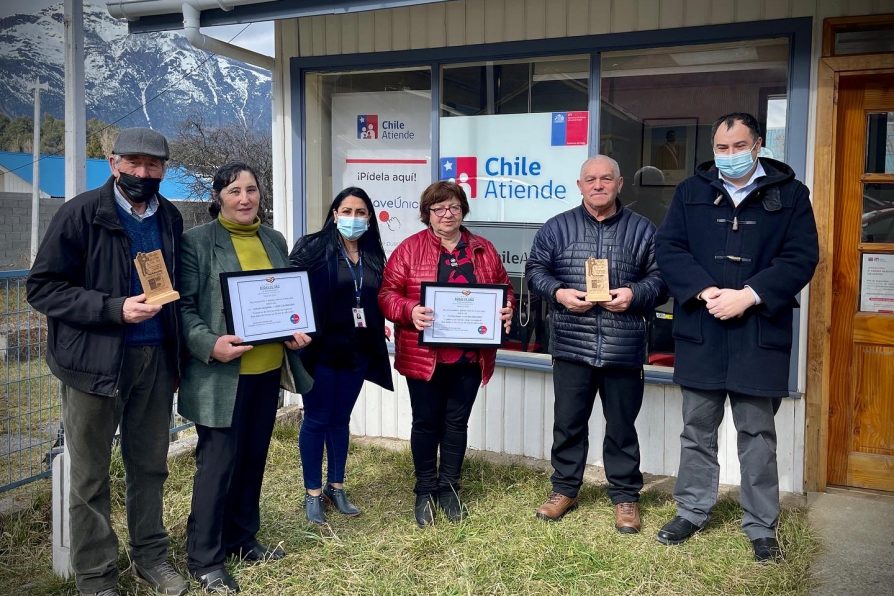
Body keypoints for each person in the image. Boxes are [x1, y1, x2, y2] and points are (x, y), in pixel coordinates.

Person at [26, 128, 188, 596]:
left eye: (153, 165)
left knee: (150, 466)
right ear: (113, 163)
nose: (143, 173)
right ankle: (96, 577)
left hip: (155, 360)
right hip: (94, 366)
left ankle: (150, 557)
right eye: (133, 162)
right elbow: (42, 288)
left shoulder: (170, 219)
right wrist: (113, 308)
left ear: (164, 168)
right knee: (91, 474)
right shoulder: (80, 214)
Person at [654, 112, 818, 562]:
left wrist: (749, 295)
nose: (729, 156)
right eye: (721, 149)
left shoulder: (790, 194)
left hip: (757, 330)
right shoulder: (691, 192)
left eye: (738, 147)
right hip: (702, 328)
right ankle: (691, 510)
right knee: (697, 430)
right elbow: (669, 249)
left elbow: (802, 256)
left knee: (757, 434)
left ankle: (762, 525)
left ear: (758, 144)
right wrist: (707, 291)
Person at [178, 162, 314, 592]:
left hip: (267, 370)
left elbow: (286, 295)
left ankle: (241, 537)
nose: (244, 198)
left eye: (252, 189)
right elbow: (181, 309)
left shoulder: (273, 239)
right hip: (221, 375)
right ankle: (204, 557)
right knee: (217, 465)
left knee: (254, 459)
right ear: (218, 195)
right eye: (234, 190)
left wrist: (295, 329)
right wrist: (208, 343)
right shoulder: (196, 243)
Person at [525, 155, 667, 533]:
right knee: (568, 423)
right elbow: (535, 272)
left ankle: (624, 496)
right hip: (572, 344)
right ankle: (564, 489)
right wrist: (559, 293)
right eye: (591, 179)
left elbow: (662, 279)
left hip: (623, 346)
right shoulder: (557, 228)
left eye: (606, 178)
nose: (599, 185)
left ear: (620, 183)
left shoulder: (643, 231)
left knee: (622, 426)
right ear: (580, 185)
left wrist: (634, 294)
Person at [378, 181, 514, 527]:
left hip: (469, 355)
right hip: (425, 357)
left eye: (453, 206)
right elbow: (386, 294)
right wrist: (410, 311)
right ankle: (425, 489)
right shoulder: (409, 250)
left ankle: (449, 488)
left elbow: (505, 288)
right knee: (426, 423)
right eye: (438, 209)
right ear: (428, 214)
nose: (447, 214)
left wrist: (507, 309)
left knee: (456, 423)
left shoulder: (483, 248)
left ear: (463, 209)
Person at [289, 187, 394, 525]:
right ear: (334, 214)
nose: (353, 218)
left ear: (369, 218)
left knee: (341, 419)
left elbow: (377, 295)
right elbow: (289, 287)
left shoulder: (374, 253)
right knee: (317, 418)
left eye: (360, 212)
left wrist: (380, 323)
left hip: (357, 351)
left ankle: (336, 486)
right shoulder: (313, 247)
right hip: (320, 350)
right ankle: (313, 493)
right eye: (346, 211)